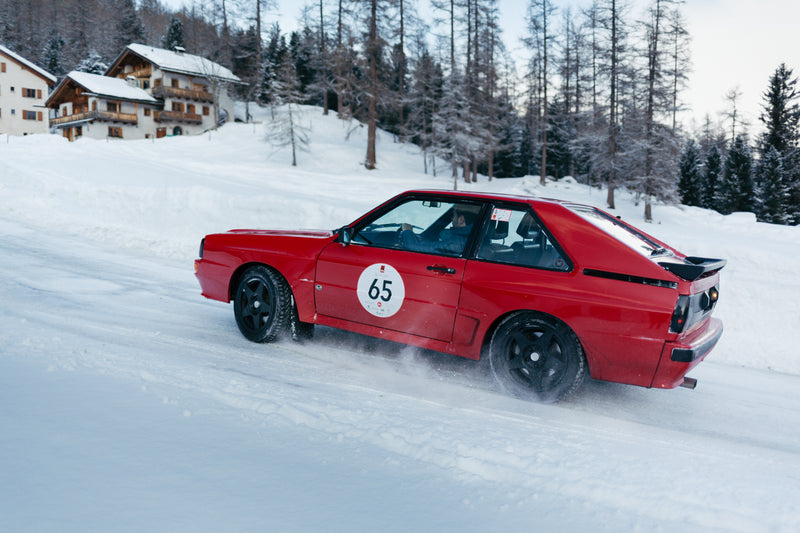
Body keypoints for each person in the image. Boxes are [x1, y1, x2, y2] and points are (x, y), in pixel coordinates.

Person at [399, 206, 475, 254]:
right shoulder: (469, 236)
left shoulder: (456, 242)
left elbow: (412, 247)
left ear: (461, 219)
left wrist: (407, 231)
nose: (451, 219)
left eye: (453, 216)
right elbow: (434, 246)